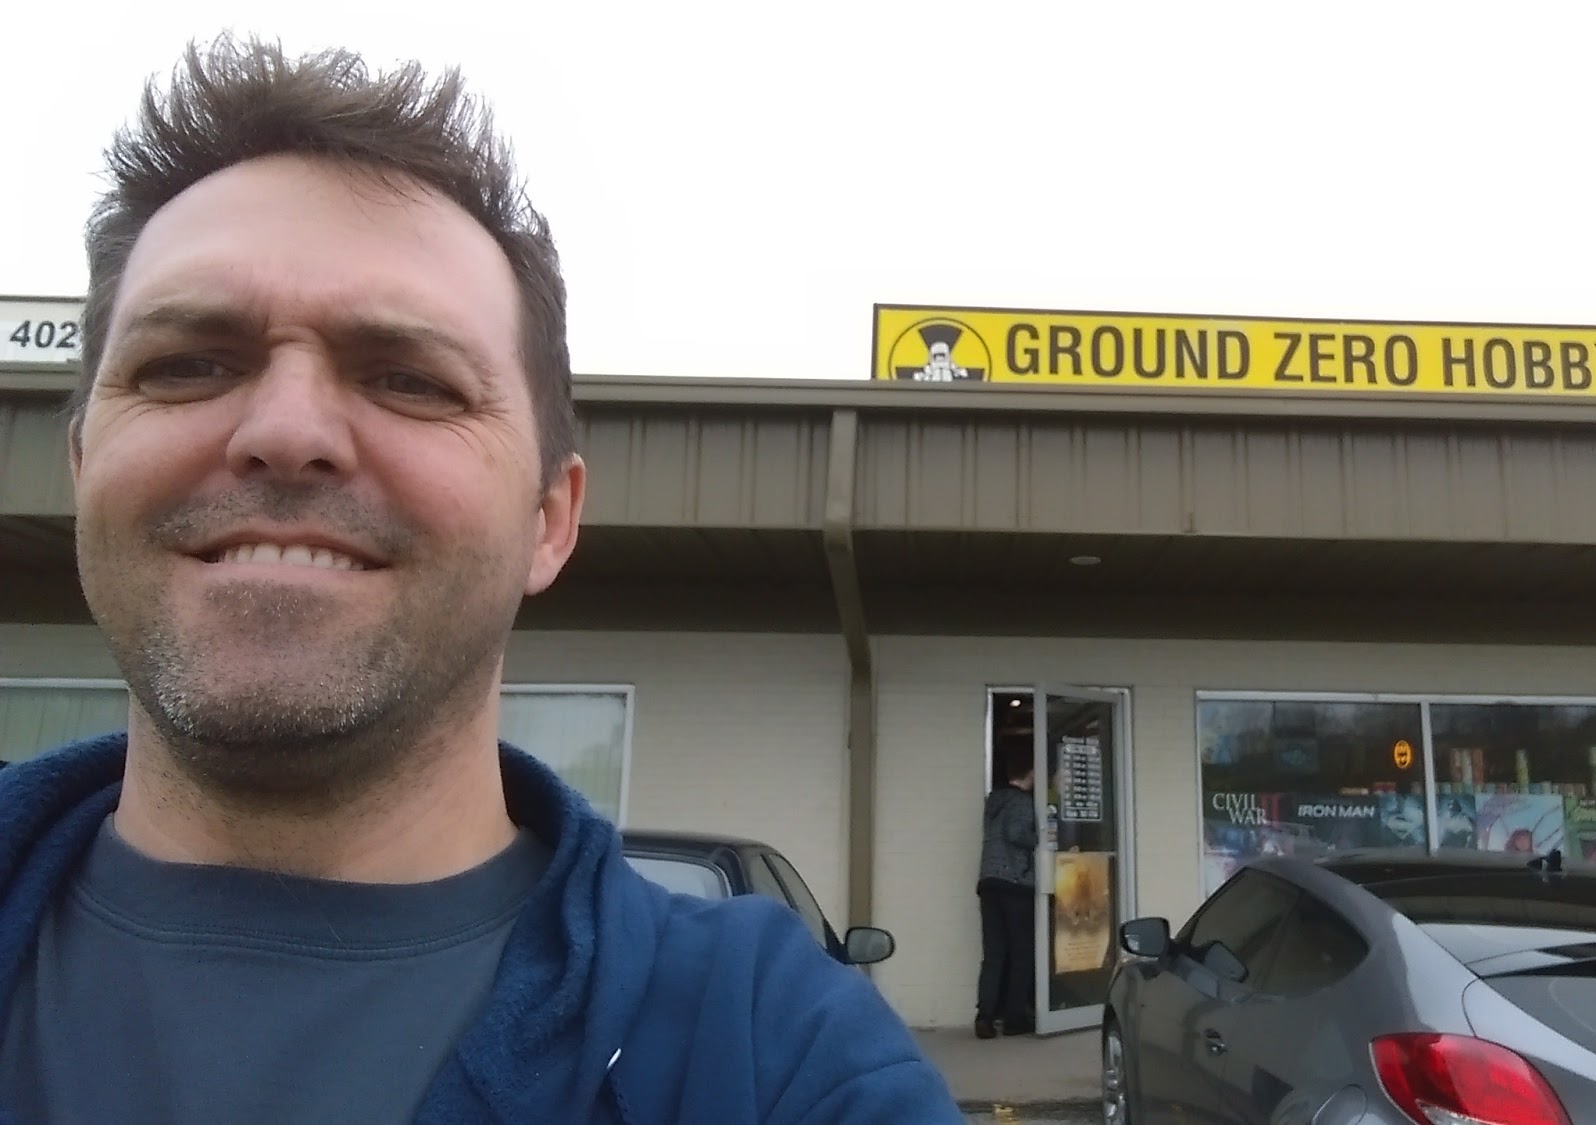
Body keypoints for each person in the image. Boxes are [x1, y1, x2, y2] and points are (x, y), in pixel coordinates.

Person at [0, 35, 959, 1124]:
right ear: (82, 467)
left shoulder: (776, 1052)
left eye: (409, 379)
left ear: (550, 520)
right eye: (187, 365)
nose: (286, 430)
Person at [974, 748, 1037, 1038]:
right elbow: (1016, 833)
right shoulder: (1021, 801)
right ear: (1030, 773)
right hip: (1015, 882)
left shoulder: (994, 802)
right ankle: (1014, 1018)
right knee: (1021, 954)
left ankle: (985, 1016)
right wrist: (1042, 838)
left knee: (994, 954)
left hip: (989, 882)